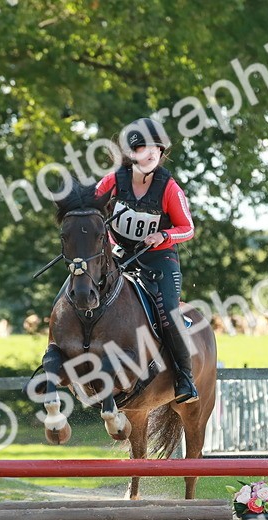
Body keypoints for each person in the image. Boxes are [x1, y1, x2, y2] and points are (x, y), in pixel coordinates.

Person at [94, 117, 198, 404]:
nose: (151, 153)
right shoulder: (113, 181)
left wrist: (163, 235)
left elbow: (187, 228)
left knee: (168, 314)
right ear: (131, 154)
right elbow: (91, 208)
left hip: (159, 259)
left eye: (156, 148)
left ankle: (185, 378)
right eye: (143, 148)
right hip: (121, 257)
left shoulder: (169, 188)